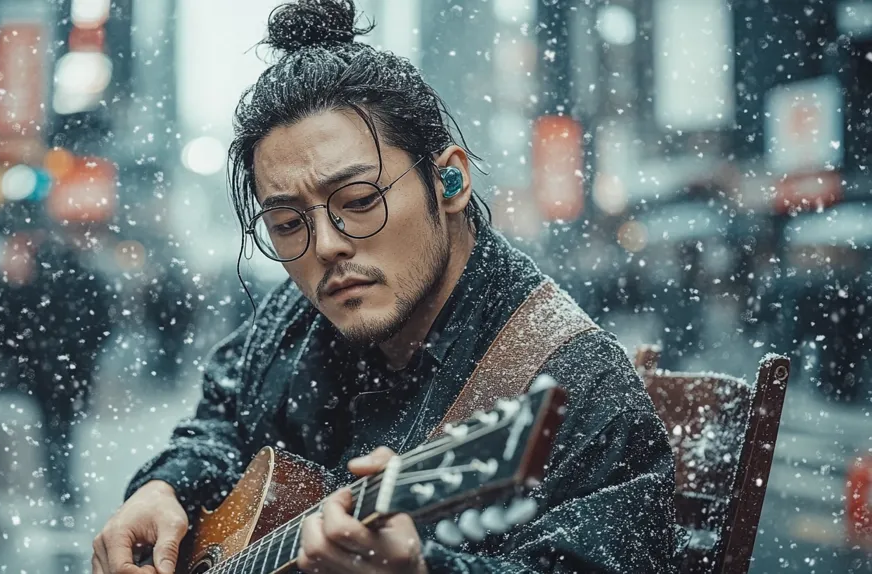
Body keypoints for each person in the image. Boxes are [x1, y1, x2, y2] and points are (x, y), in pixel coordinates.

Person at [94, 1, 684, 572]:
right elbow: (224, 412)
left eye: (358, 202)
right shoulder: (296, 323)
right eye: (287, 224)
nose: (325, 244)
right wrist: (165, 485)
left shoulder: (574, 379)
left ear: (448, 180)